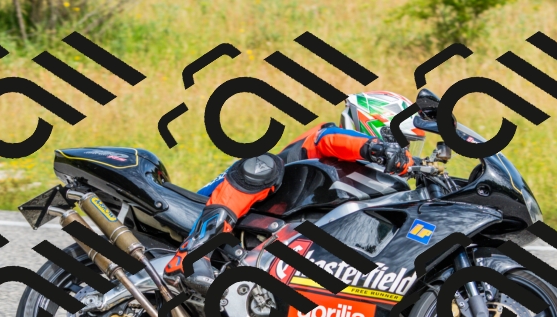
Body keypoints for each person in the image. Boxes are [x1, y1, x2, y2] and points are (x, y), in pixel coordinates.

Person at [164, 91, 426, 294]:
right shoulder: (330, 138)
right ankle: (191, 255)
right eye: (402, 144)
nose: (405, 153)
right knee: (264, 165)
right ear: (377, 130)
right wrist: (376, 148)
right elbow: (331, 140)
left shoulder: (362, 187)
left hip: (266, 242)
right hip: (213, 204)